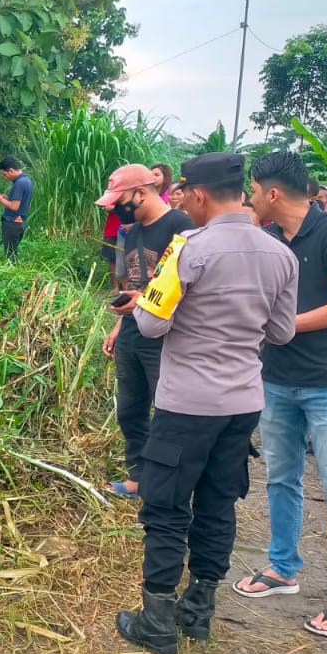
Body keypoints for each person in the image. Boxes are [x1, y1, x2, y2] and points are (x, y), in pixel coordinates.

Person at [114, 152, 298, 654]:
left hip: (187, 403)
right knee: (217, 505)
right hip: (242, 404)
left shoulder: (187, 250)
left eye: (183, 195)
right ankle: (198, 614)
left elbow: (151, 324)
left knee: (167, 506)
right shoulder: (280, 254)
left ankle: (156, 620)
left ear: (197, 194)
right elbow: (281, 331)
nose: (180, 203)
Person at [235, 151, 327, 639]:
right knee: (281, 477)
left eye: (253, 189)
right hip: (277, 378)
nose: (250, 198)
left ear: (272, 193)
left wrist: (283, 327)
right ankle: (281, 568)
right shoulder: (269, 238)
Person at [96, 163, 193, 499]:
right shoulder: (132, 230)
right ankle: (139, 477)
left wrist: (142, 301)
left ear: (140, 192)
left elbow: (184, 285)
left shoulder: (180, 225)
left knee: (165, 409)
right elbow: (132, 283)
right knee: (130, 408)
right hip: (133, 329)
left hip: (164, 334)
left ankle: (167, 482)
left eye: (119, 199)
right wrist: (118, 324)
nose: (116, 207)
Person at [0, 156, 32, 258]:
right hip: (20, 222)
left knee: (10, 255)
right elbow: (19, 201)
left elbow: (14, 206)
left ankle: (12, 271)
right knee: (13, 251)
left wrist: (0, 199)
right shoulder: (26, 180)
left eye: (5, 175)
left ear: (11, 170)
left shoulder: (19, 183)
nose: (5, 178)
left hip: (13, 223)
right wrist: (6, 198)